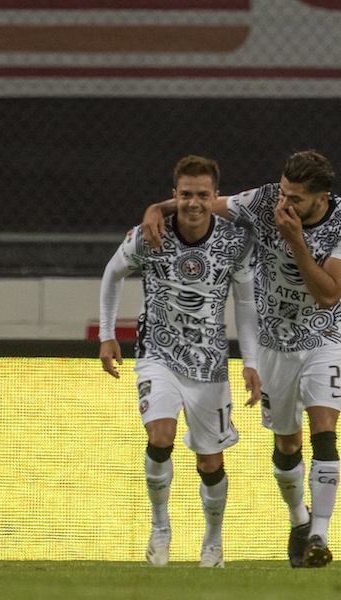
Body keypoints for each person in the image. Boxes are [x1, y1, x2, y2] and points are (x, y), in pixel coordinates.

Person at [143, 150, 341, 569]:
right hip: (272, 342)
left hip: (324, 337)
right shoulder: (264, 201)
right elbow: (204, 203)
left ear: (321, 198)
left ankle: (319, 534)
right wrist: (158, 207)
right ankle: (299, 519)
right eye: (283, 193)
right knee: (287, 444)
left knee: (324, 431)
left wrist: (296, 240)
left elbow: (329, 293)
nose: (284, 204)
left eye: (295, 199)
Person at [99, 155, 262, 568]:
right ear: (174, 195)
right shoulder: (149, 234)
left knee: (210, 461)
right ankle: (160, 527)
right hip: (158, 354)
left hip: (210, 365)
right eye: (185, 194)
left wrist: (251, 361)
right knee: (160, 436)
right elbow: (113, 273)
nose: (193, 203)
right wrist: (107, 335)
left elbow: (245, 304)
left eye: (202, 195)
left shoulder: (235, 242)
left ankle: (213, 540)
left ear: (215, 196)